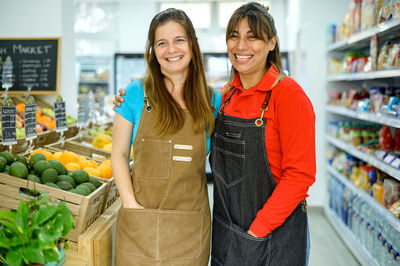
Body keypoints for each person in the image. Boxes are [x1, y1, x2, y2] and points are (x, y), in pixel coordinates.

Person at [114, 3, 315, 265]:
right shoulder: (226, 97)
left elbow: (300, 175)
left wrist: (256, 231)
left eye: (252, 37)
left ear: (272, 43)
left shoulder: (286, 95)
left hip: (269, 237)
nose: (241, 46)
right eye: (234, 36)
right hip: (226, 234)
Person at [112, 8, 221, 266]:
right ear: (153, 50)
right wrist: (130, 205)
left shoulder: (213, 100)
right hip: (140, 224)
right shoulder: (134, 93)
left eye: (179, 40)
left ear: (192, 43)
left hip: (190, 228)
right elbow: (118, 153)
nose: (171, 50)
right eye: (162, 43)